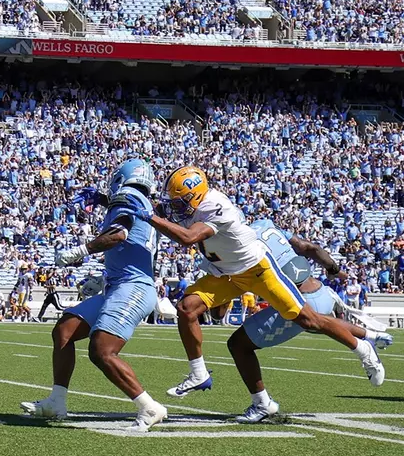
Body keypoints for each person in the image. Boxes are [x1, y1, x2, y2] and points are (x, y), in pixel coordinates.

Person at [147, 166, 385, 397]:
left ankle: (362, 348)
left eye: (180, 202)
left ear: (196, 196)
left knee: (309, 320)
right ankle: (199, 374)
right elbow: (159, 210)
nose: (176, 208)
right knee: (187, 308)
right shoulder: (191, 204)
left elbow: (188, 238)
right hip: (226, 273)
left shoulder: (216, 206)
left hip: (256, 270)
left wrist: (148, 216)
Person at [22, 160, 169, 432]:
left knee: (102, 350)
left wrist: (79, 251)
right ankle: (57, 400)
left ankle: (149, 407)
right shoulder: (143, 203)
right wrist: (105, 277)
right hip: (121, 284)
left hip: (132, 288)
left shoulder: (128, 198)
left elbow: (119, 234)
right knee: (64, 330)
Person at [225, 221, 395, 423]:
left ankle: (262, 404)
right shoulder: (264, 224)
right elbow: (310, 248)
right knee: (319, 324)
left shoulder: (236, 243)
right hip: (320, 291)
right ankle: (370, 335)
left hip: (299, 301)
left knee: (239, 345)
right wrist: (334, 269)